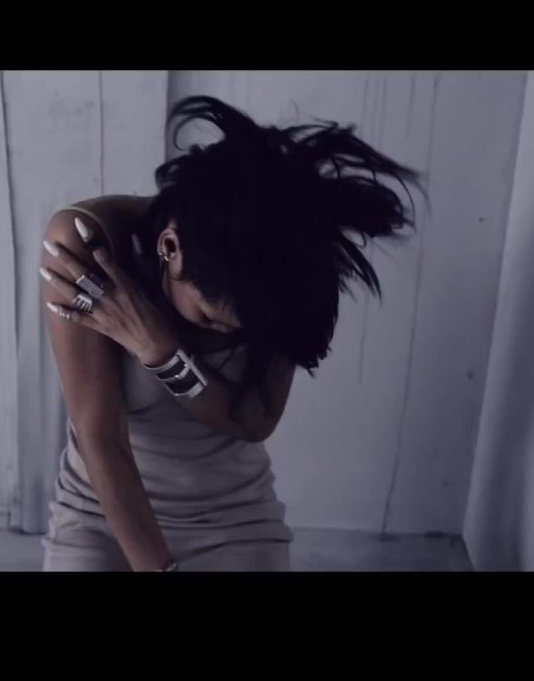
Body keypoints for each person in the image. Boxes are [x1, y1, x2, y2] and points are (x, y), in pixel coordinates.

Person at [38, 95, 420, 571]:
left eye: (240, 333)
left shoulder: (290, 271)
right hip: (100, 513)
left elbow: (255, 421)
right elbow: (102, 436)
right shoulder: (87, 247)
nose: (225, 333)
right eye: (211, 319)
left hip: (232, 518)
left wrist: (164, 353)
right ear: (170, 247)